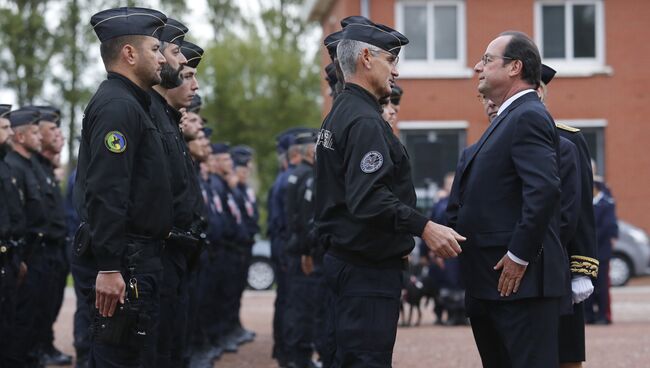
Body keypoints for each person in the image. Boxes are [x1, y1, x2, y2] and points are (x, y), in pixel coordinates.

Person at [314, 16, 463, 366]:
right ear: (367, 58)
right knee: (365, 359)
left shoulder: (341, 112)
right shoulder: (365, 121)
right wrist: (425, 227)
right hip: (365, 272)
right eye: (390, 60)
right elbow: (369, 197)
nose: (396, 71)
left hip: (348, 265)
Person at [450, 31, 569, 368]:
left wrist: (519, 254)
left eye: (487, 60)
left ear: (515, 66)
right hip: (493, 284)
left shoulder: (527, 114)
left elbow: (543, 189)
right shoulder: (507, 118)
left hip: (519, 285)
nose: (477, 67)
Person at [72, 7, 174, 367]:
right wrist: (110, 267)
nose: (162, 58)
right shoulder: (117, 105)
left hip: (139, 259)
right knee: (123, 357)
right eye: (155, 49)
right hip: (127, 264)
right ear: (129, 54)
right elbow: (106, 190)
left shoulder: (134, 103)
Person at [536, 64, 599, 367]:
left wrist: (581, 269)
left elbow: (581, 209)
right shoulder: (486, 143)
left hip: (557, 265)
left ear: (539, 93)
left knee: (564, 354)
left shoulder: (567, 139)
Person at [26, 105, 73, 366]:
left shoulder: (45, 169)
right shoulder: (29, 167)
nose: (59, 135)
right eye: (52, 129)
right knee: (33, 309)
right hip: (38, 251)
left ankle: (44, 344)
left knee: (49, 305)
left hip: (55, 250)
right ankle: (35, 349)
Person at [4, 107, 51, 366]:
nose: (39, 137)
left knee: (34, 316)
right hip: (24, 255)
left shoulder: (30, 165)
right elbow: (15, 216)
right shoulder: (13, 167)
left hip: (37, 253)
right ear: (20, 137)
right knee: (19, 322)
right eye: (34, 132)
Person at [0, 105, 28, 367]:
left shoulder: (5, 165)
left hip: (8, 256)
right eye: (5, 127)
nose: (10, 132)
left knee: (7, 325)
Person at [585, 180, 618, 325]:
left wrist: (588, 235)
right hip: (589, 252)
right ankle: (589, 315)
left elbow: (608, 226)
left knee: (602, 285)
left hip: (602, 252)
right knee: (588, 284)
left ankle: (604, 315)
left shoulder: (606, 204)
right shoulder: (588, 203)